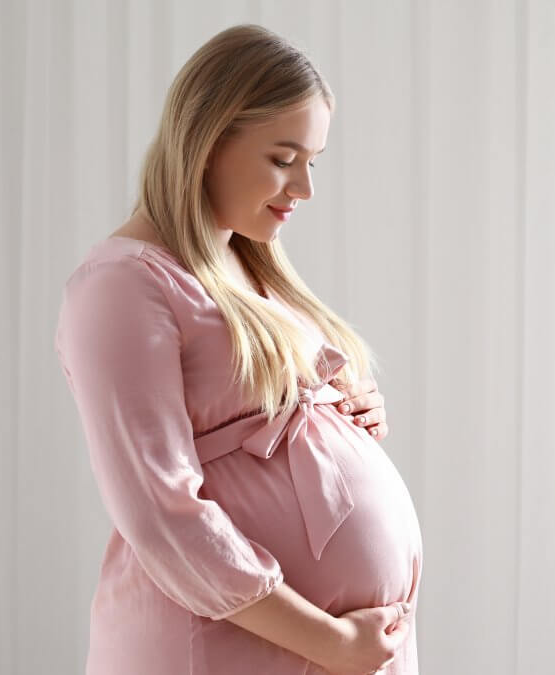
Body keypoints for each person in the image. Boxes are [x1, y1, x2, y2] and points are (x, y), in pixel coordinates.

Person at [54, 24, 423, 675]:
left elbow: (264, 422)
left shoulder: (241, 263)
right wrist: (328, 640)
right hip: (224, 646)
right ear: (206, 141)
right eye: (283, 159)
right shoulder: (121, 287)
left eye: (313, 160)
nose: (304, 187)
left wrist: (347, 412)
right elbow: (163, 517)